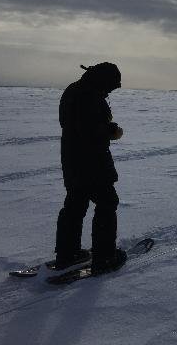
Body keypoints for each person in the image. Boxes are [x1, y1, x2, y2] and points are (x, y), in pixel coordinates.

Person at [54, 62, 126, 275]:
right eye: (111, 87)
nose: (110, 91)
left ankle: (68, 254)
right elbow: (91, 131)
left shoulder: (73, 90)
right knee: (107, 202)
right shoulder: (90, 97)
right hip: (92, 161)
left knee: (75, 204)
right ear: (103, 81)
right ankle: (104, 258)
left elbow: (70, 124)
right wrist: (113, 131)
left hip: (72, 160)